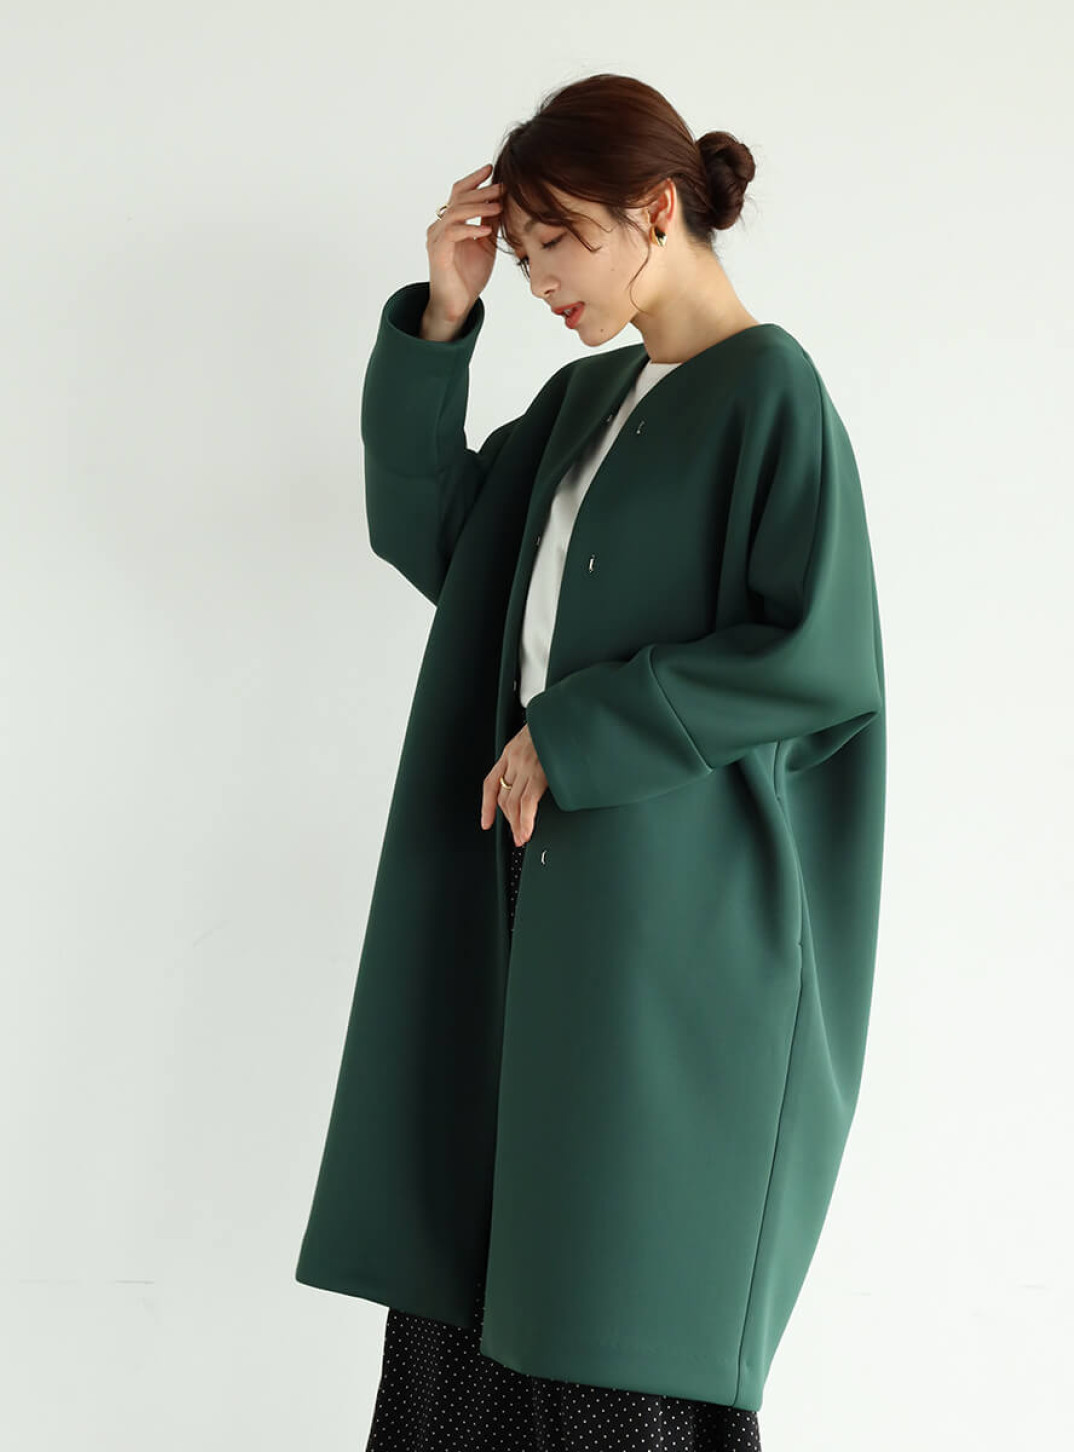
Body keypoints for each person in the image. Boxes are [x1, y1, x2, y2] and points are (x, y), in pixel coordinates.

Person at [296, 73, 886, 1452]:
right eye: (521, 254)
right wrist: (443, 321)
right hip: (525, 894)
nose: (541, 279)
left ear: (656, 210)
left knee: (617, 1292)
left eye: (557, 242)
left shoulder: (770, 390)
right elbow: (439, 542)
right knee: (478, 1264)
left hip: (668, 916)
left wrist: (574, 733)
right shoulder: (582, 400)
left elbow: (817, 656)